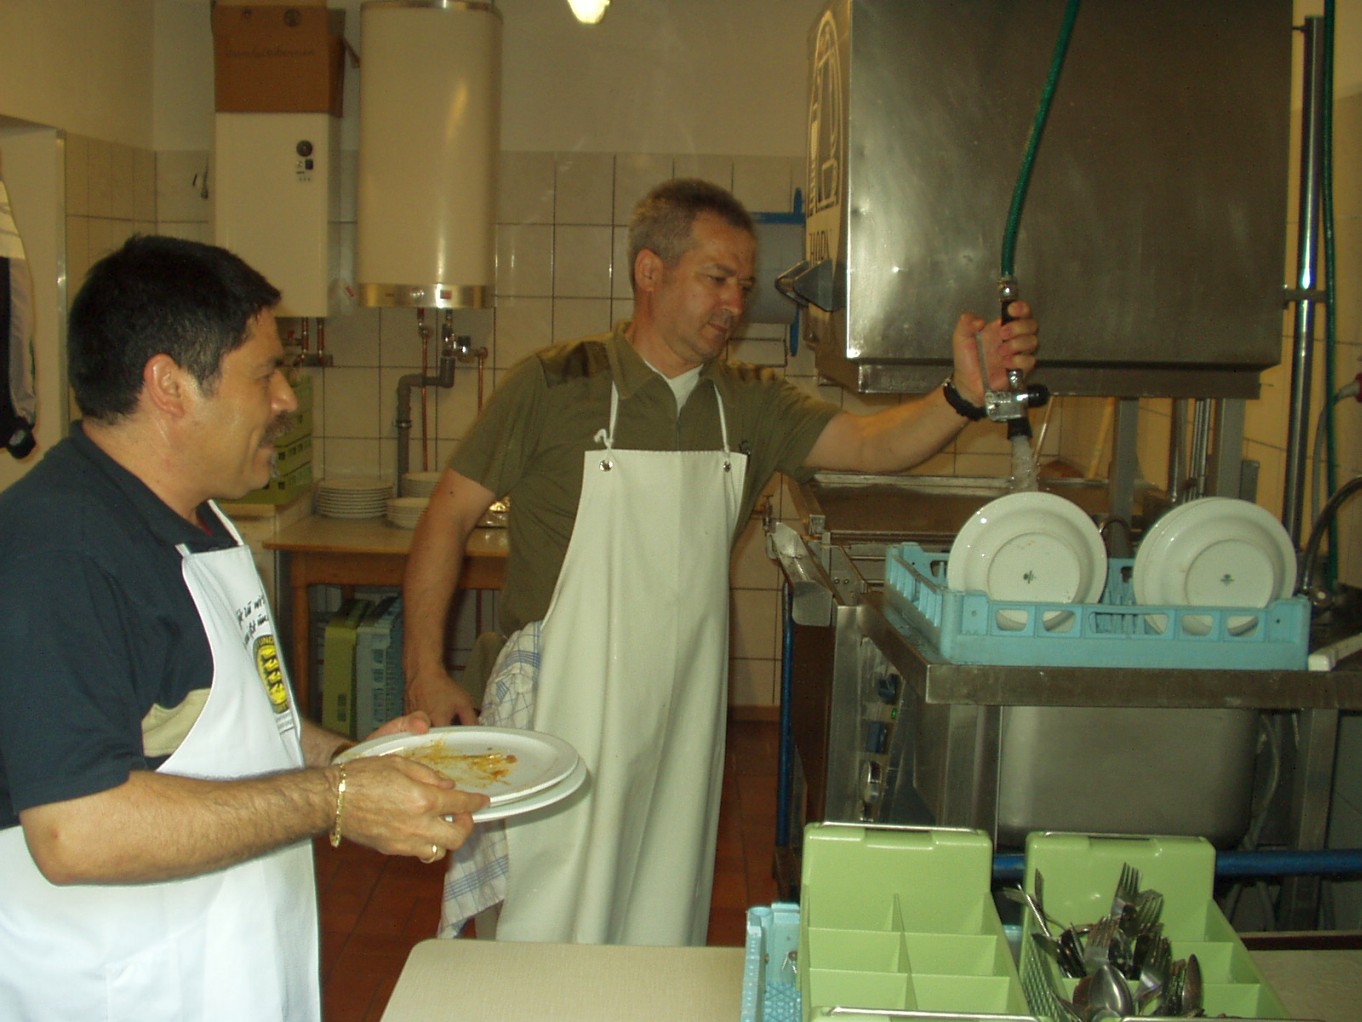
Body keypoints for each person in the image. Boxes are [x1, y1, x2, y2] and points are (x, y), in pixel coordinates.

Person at [402, 178, 1039, 946]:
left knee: (655, 930)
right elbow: (446, 517)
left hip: (679, 723)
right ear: (650, 272)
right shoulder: (556, 385)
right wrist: (425, 671)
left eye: (743, 284)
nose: (735, 303)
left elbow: (873, 445)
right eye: (716, 278)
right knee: (536, 938)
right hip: (557, 719)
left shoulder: (749, 403)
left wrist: (961, 395)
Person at [0, 235, 488, 1021]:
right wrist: (336, 799)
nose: (287, 398)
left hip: (229, 971)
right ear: (169, 386)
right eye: (265, 373)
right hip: (122, 992)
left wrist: (358, 764)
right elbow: (74, 830)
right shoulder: (60, 553)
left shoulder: (199, 519)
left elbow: (245, 728)